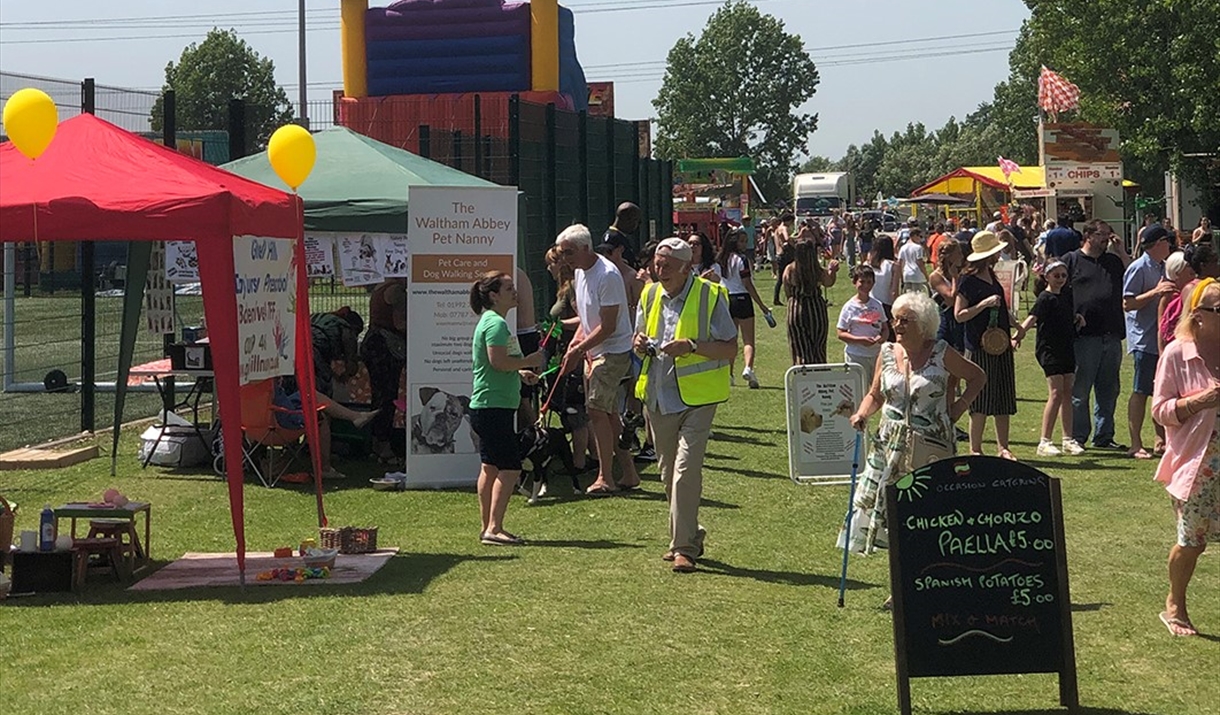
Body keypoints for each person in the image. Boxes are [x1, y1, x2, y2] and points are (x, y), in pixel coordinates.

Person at [841, 292, 986, 556]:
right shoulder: (886, 352)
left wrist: (957, 408)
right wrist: (862, 413)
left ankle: (927, 578)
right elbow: (875, 394)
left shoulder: (942, 353)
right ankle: (900, 586)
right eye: (895, 320)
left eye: (905, 320)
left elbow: (977, 377)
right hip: (889, 447)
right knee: (893, 516)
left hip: (931, 447)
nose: (897, 326)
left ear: (923, 324)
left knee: (929, 515)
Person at [633, 238, 738, 573]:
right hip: (658, 395)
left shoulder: (710, 295)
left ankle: (683, 549)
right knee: (668, 474)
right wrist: (639, 344)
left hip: (699, 399)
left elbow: (729, 349)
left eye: (666, 265)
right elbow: (639, 340)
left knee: (684, 471)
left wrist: (691, 346)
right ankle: (691, 533)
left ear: (686, 267)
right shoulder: (649, 294)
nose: (658, 270)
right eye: (656, 264)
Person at [1150, 278, 1220, 637]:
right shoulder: (1178, 353)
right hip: (1198, 465)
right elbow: (1159, 411)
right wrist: (1199, 401)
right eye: (1219, 308)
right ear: (1199, 315)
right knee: (1192, 541)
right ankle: (1175, 604)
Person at [555, 224, 642, 495]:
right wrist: (574, 346)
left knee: (596, 411)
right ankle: (629, 474)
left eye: (568, 252)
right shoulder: (580, 272)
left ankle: (605, 476)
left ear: (585, 248)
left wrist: (579, 350)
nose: (564, 259)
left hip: (613, 351)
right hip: (593, 352)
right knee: (607, 414)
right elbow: (586, 318)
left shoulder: (607, 275)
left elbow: (608, 326)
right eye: (561, 254)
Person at [469, 271, 544, 545]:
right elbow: (498, 362)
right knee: (510, 468)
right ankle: (494, 528)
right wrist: (529, 360)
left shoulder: (494, 322)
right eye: (509, 288)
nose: (515, 292)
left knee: (489, 467)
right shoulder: (496, 324)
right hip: (493, 407)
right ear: (493, 295)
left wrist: (520, 372)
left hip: (489, 406)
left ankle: (488, 526)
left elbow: (498, 365)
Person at [1065, 219, 1132, 450]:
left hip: (1111, 334)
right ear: (1088, 235)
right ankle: (1077, 436)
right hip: (1084, 336)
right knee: (1080, 389)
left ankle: (1104, 436)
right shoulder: (1072, 260)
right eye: (1102, 234)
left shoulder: (1112, 261)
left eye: (1108, 235)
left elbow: (1131, 273)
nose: (1106, 239)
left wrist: (1121, 251)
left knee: (1109, 389)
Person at [955, 231, 1023, 459]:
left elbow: (1002, 307)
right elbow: (959, 315)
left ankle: (1003, 446)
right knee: (980, 397)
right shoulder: (968, 280)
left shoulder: (992, 276)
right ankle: (976, 449)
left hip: (1000, 344)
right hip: (978, 346)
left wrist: (1016, 325)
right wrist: (982, 305)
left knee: (1003, 395)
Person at [1016, 261, 1086, 456]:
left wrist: (1077, 318)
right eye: (1056, 275)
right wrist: (1018, 335)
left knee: (1067, 391)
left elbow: (1065, 316)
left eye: (1064, 275)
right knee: (1055, 392)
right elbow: (1032, 318)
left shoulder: (1066, 295)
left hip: (1066, 347)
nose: (1061, 279)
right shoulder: (1045, 298)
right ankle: (1044, 441)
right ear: (1046, 276)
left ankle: (1067, 439)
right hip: (1049, 349)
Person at [1123, 225, 1177, 459]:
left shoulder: (1165, 266)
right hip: (1144, 340)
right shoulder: (1138, 267)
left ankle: (1161, 440)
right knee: (1141, 390)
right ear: (1157, 244)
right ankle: (1135, 443)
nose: (1170, 245)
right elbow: (1128, 303)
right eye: (1167, 241)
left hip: (1162, 339)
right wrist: (1155, 292)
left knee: (1160, 390)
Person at [544, 246, 593, 473]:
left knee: (575, 409)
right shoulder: (563, 289)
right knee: (577, 410)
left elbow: (585, 319)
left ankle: (578, 462)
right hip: (563, 352)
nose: (548, 268)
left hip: (574, 353)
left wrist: (561, 325)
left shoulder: (574, 288)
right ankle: (595, 456)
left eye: (551, 264)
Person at [359, 280, 407, 464]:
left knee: (379, 396)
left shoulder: (380, 288)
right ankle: (384, 445)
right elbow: (400, 323)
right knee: (388, 396)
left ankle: (376, 444)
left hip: (373, 342)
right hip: (386, 346)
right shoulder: (397, 291)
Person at [718, 228, 773, 388]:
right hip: (742, 298)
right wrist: (762, 306)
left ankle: (729, 373)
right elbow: (747, 284)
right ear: (734, 242)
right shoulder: (741, 259)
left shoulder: (721, 258)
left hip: (727, 299)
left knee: (731, 339)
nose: (744, 244)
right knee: (748, 340)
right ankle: (748, 368)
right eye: (742, 241)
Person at [784, 238, 839, 365]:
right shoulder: (817, 270)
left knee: (799, 348)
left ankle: (801, 376)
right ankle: (818, 378)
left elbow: (787, 291)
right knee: (818, 348)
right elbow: (829, 282)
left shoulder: (790, 269)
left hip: (796, 308)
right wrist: (832, 271)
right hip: (816, 309)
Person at [837, 265, 888, 388]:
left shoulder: (877, 305)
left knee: (878, 388)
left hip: (875, 354)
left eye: (869, 282)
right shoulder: (849, 307)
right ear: (855, 282)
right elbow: (840, 333)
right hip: (856, 355)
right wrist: (860, 340)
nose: (865, 285)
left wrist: (882, 338)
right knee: (858, 390)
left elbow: (885, 328)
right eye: (862, 281)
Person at [929, 241, 965, 352]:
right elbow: (950, 300)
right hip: (945, 318)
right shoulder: (936, 276)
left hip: (960, 317)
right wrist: (954, 278)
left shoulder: (962, 272)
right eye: (958, 253)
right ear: (949, 256)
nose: (961, 256)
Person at [868, 235, 900, 322]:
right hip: (886, 305)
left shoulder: (867, 265)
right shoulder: (894, 266)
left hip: (870, 303)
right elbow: (894, 292)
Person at [897, 227, 929, 293]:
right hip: (917, 275)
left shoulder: (903, 247)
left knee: (909, 296)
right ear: (914, 236)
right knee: (918, 296)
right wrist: (926, 275)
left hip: (907, 274)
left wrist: (901, 276)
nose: (921, 239)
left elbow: (900, 262)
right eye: (920, 236)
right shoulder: (918, 248)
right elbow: (919, 262)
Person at [772, 214, 795, 303]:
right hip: (785, 254)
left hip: (778, 254)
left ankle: (776, 298)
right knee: (788, 276)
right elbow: (787, 238)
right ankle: (789, 295)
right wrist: (794, 245)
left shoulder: (777, 229)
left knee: (780, 278)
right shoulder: (784, 228)